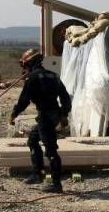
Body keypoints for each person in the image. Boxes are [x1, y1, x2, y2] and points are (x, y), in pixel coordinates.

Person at [9, 49, 71, 193]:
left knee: (51, 150)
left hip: (45, 117)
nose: (24, 68)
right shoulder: (54, 75)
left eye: (24, 65)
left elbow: (24, 100)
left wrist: (14, 114)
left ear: (29, 63)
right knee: (32, 140)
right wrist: (64, 114)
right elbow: (65, 97)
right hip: (54, 115)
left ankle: (56, 184)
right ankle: (38, 174)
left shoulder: (32, 78)